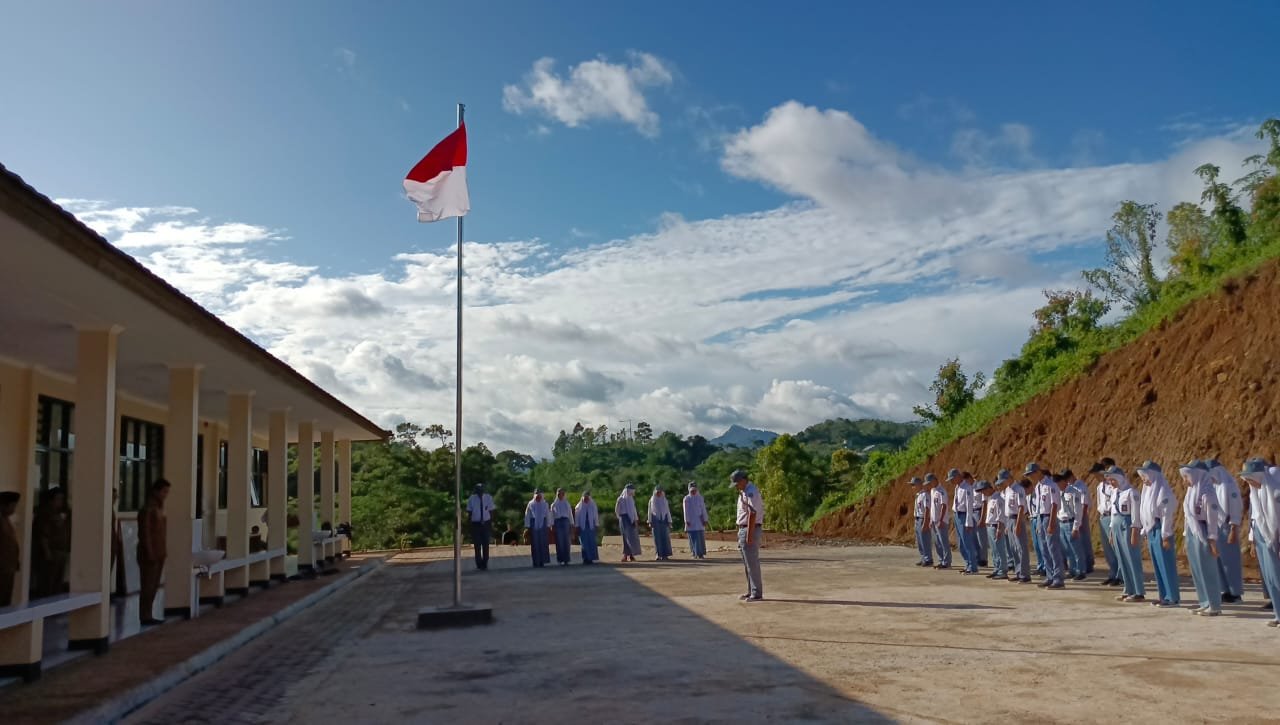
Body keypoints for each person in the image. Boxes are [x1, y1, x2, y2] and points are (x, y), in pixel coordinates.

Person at [1180, 460, 1223, 616]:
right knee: (1197, 570)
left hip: (1204, 531)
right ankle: (1204, 602)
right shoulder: (1191, 492)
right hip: (1193, 531)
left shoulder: (1207, 493)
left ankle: (1214, 604)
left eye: (1187, 477)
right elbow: (1187, 517)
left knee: (1208, 569)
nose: (1185, 481)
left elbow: (1212, 519)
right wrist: (1186, 537)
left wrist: (1212, 540)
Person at [1240, 459, 1280, 627]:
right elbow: (1255, 518)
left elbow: (1275, 519)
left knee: (1277, 577)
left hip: (1273, 538)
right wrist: (1253, 540)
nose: (1248, 482)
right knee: (1269, 578)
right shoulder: (1256, 491)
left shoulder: (1273, 491)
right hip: (1262, 536)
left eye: (1249, 478)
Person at [1136, 461, 1179, 607]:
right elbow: (1145, 511)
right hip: (1152, 530)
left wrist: (1165, 535)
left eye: (1145, 475)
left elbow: (1167, 515)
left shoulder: (1163, 491)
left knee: (1166, 565)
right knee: (1158, 565)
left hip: (1161, 530)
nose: (1143, 479)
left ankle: (1172, 597)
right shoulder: (1148, 491)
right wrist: (1145, 530)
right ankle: (1163, 596)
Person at [1207, 459, 1245, 603]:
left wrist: (1234, 528)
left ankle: (1235, 592)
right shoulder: (1213, 486)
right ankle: (1225, 590)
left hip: (1227, 527)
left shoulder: (1229, 486)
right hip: (1215, 527)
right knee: (1218, 561)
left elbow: (1236, 508)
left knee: (1230, 561)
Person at [1106, 465, 1145, 602]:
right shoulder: (1115, 493)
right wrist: (1111, 531)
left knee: (1132, 558)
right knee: (1122, 559)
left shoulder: (1131, 492)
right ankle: (1128, 589)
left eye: (1113, 479)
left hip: (1127, 525)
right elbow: (1112, 513)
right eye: (1110, 480)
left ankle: (1138, 591)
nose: (1111, 483)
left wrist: (1135, 531)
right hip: (1116, 525)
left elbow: (1135, 514)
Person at [1026, 463, 1065, 589]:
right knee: (1044, 548)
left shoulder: (1050, 485)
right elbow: (1038, 506)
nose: (1030, 477)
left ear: (1038, 472)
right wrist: (1038, 522)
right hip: (1040, 517)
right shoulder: (1038, 486)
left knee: (1053, 548)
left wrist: (1052, 522)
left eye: (1031, 474)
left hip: (1049, 516)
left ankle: (1058, 578)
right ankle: (1050, 576)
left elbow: (1054, 504)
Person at [138, 479, 171, 625]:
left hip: (159, 553)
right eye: (164, 491)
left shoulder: (159, 508)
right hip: (149, 555)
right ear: (156, 491)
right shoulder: (148, 509)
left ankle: (148, 613)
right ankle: (145, 615)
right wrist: (150, 552)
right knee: (148, 586)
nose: (166, 495)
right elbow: (145, 533)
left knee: (154, 585)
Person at [731, 469, 764, 601]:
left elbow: (752, 514)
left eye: (737, 484)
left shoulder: (751, 492)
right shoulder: (744, 492)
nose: (736, 487)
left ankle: (756, 593)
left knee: (752, 563)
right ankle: (751, 590)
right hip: (744, 529)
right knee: (747, 563)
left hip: (750, 528)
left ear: (743, 480)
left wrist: (749, 535)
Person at [32, 487, 70, 598]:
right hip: (51, 554)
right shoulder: (45, 514)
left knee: (57, 583)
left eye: (62, 499)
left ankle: (54, 609)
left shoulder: (58, 514)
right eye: (58, 499)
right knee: (47, 583)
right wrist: (47, 554)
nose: (61, 502)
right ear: (51, 500)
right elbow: (43, 536)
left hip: (60, 552)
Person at [1092, 459, 1121, 587]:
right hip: (1103, 517)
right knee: (1108, 549)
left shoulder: (1113, 486)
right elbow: (1100, 503)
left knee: (1116, 548)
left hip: (1112, 517)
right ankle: (1112, 573)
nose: (1097, 477)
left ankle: (1120, 575)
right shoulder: (1100, 486)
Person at [1055, 469, 1087, 581]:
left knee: (1076, 548)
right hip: (1062, 522)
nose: (1057, 486)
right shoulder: (1059, 493)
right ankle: (1072, 570)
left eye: (1058, 484)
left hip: (1070, 522)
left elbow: (1078, 511)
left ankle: (1081, 570)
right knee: (1067, 549)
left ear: (1063, 482)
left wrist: (1076, 527)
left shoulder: (1074, 492)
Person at [949, 469, 978, 575]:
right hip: (957, 515)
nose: (951, 481)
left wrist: (968, 522)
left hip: (964, 515)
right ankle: (967, 564)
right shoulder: (957, 487)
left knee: (967, 542)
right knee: (961, 544)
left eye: (952, 479)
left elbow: (969, 506)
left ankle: (972, 566)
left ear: (958, 477)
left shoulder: (968, 488)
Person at [1003, 471, 1031, 583]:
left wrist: (1019, 524)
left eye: (1004, 480)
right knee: (1014, 548)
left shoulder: (1019, 489)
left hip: (1016, 519)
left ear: (1010, 478)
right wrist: (1006, 524)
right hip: (1009, 519)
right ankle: (1018, 572)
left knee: (1021, 548)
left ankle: (1025, 575)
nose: (1004, 483)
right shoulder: (1007, 489)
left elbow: (1021, 508)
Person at [979, 479, 1005, 580]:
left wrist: (999, 528)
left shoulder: (998, 499)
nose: (982, 493)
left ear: (989, 488)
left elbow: (1000, 515)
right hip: (989, 525)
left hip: (995, 526)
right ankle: (996, 568)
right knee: (994, 551)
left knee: (999, 550)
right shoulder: (990, 498)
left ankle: (1002, 570)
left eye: (983, 490)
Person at [1068, 469, 1094, 574]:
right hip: (1075, 516)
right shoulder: (1071, 487)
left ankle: (1089, 564)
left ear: (1072, 476)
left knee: (1084, 540)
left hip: (1081, 515)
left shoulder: (1081, 487)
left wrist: (1081, 519)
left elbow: (1084, 504)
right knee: (1078, 542)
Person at [466, 483, 495, 571]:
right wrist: (469, 524)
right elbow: (469, 512)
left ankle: (485, 562)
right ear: (476, 491)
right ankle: (479, 563)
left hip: (485, 523)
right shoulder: (472, 499)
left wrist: (490, 523)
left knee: (486, 544)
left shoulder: (488, 497)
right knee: (477, 544)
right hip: (476, 524)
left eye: (481, 490)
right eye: (478, 490)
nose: (480, 492)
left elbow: (491, 511)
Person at [926, 473, 952, 570]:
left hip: (941, 521)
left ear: (934, 480)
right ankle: (941, 560)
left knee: (943, 541)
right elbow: (932, 507)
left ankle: (947, 561)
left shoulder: (942, 491)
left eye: (930, 482)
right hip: (933, 520)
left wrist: (941, 520)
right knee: (937, 542)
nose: (929, 485)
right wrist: (930, 519)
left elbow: (943, 506)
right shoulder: (933, 491)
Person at [0, 491, 19, 607]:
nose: (14, 509)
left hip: (9, 566)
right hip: (2, 567)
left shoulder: (6, 520)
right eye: (12, 506)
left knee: (6, 598)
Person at [524, 489, 551, 567]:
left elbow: (548, 515)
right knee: (535, 544)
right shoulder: (530, 504)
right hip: (533, 524)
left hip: (543, 524)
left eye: (539, 496)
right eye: (537, 496)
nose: (538, 498)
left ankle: (542, 561)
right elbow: (527, 515)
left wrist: (549, 525)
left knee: (543, 543)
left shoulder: (545, 504)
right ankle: (536, 561)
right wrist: (527, 526)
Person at [615, 484, 642, 562]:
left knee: (632, 538)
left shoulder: (631, 499)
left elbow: (634, 510)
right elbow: (617, 510)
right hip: (624, 519)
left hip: (632, 520)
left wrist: (635, 519)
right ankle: (625, 555)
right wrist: (621, 518)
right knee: (625, 537)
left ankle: (631, 555)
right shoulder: (620, 499)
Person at [967, 472, 989, 567]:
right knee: (973, 537)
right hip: (971, 512)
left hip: (979, 512)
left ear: (969, 478)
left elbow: (984, 503)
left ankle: (983, 559)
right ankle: (976, 557)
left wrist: (982, 518)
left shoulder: (979, 485)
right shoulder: (968, 487)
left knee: (981, 537)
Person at [682, 482, 709, 559]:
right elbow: (685, 511)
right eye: (692, 490)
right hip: (691, 521)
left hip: (700, 521)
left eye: (694, 490)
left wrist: (705, 519)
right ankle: (694, 553)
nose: (693, 492)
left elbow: (703, 509)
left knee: (700, 538)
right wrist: (687, 521)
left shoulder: (700, 498)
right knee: (693, 537)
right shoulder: (686, 499)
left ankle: (701, 554)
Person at [909, 477, 932, 567]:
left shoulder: (925, 495)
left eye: (913, 485)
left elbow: (927, 509)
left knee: (925, 540)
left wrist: (926, 522)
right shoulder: (918, 494)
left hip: (922, 519)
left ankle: (928, 559)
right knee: (920, 541)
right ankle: (923, 557)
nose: (912, 487)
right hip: (917, 519)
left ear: (918, 485)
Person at [574, 491, 600, 565]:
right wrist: (577, 527)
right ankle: (586, 558)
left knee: (591, 542)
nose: (586, 500)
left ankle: (591, 558)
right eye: (584, 498)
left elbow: (595, 516)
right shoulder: (579, 507)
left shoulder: (593, 505)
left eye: (587, 498)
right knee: (584, 543)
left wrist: (597, 524)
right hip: (583, 527)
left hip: (591, 526)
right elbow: (577, 518)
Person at [648, 487, 673, 561]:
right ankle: (658, 554)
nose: (659, 493)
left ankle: (665, 555)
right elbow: (650, 511)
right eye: (657, 492)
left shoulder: (664, 500)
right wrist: (650, 521)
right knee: (657, 538)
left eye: (660, 492)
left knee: (665, 538)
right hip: (655, 521)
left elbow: (667, 511)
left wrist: (669, 520)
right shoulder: (652, 500)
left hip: (664, 520)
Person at [550, 488, 574, 566]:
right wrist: (551, 525)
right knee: (559, 542)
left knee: (566, 542)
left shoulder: (567, 503)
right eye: (559, 494)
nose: (561, 495)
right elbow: (551, 516)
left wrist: (571, 524)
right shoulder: (554, 504)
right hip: (557, 522)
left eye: (562, 494)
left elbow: (570, 514)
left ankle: (566, 559)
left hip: (565, 522)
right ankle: (560, 559)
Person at [111, 488, 126, 599]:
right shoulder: (106, 509)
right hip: (109, 543)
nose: (115, 499)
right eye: (113, 496)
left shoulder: (111, 510)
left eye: (116, 497)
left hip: (113, 543)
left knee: (110, 568)